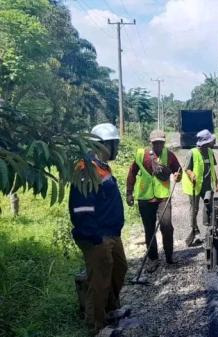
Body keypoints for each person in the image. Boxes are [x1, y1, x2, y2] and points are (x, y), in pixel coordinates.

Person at [69, 123, 128, 334]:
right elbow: (82, 206)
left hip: (111, 232)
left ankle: (111, 310)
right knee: (99, 280)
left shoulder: (102, 166)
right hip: (96, 235)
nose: (117, 148)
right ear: (102, 145)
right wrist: (94, 235)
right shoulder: (86, 169)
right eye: (114, 144)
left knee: (119, 269)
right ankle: (96, 325)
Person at [126, 130, 182, 271]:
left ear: (164, 142)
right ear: (150, 142)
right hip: (145, 198)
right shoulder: (141, 155)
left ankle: (169, 257)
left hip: (163, 197)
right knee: (149, 229)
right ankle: (153, 259)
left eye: (161, 143)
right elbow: (132, 172)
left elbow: (178, 169)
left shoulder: (169, 155)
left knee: (167, 226)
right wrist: (129, 193)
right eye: (155, 143)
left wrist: (177, 176)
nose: (158, 145)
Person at [183, 129, 218, 246]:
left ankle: (209, 228)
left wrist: (217, 182)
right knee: (194, 209)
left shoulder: (210, 152)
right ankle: (195, 230)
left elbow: (212, 168)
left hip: (207, 185)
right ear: (205, 143)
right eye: (210, 142)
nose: (212, 143)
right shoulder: (192, 153)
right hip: (194, 185)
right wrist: (191, 174)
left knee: (209, 206)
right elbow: (186, 168)